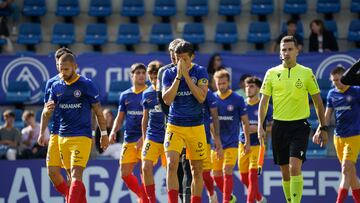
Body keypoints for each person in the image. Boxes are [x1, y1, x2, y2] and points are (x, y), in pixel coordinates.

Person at [258, 35, 328, 203]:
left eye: (290, 49)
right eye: (283, 49)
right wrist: (260, 126)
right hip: (279, 126)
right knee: (285, 172)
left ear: (297, 50)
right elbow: (263, 102)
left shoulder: (306, 73)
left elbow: (318, 102)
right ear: (280, 53)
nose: (287, 52)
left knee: (294, 167)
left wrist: (323, 126)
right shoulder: (272, 73)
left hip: (300, 126)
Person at [39, 53, 109, 203]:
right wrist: (47, 111)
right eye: (60, 69)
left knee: (77, 175)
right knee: (71, 178)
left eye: (66, 69)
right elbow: (46, 112)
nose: (63, 73)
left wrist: (103, 133)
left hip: (82, 137)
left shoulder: (86, 84)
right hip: (62, 138)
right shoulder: (56, 85)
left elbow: (98, 111)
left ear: (75, 67)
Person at [162, 41, 209, 203]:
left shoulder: (201, 71)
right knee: (171, 164)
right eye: (177, 58)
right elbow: (167, 100)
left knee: (196, 170)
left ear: (192, 57)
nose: (179, 62)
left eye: (184, 59)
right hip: (175, 125)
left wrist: (187, 77)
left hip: (196, 126)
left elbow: (201, 97)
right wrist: (178, 76)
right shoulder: (168, 73)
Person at [157, 38, 193, 203]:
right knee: (173, 165)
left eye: (177, 55)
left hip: (192, 125)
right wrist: (174, 116)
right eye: (172, 55)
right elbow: (162, 100)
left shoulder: (194, 70)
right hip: (172, 124)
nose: (174, 58)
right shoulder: (164, 72)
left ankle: (187, 199)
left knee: (189, 166)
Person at [37, 47, 74, 199]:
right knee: (52, 171)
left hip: (73, 132)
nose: (61, 66)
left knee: (70, 172)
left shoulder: (79, 81)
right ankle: (70, 196)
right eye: (58, 62)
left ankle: (72, 199)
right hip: (56, 131)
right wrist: (41, 132)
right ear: (56, 63)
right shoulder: (51, 83)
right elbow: (46, 109)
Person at [109, 63, 148, 202]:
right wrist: (113, 131)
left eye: (143, 72)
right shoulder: (125, 95)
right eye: (138, 73)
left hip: (146, 140)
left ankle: (146, 200)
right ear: (131, 76)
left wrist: (144, 138)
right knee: (124, 174)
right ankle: (142, 197)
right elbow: (120, 117)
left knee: (145, 173)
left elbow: (154, 120)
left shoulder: (149, 93)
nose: (141, 75)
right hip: (129, 139)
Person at [212, 69, 250, 203]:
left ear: (228, 82)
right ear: (215, 83)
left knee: (227, 169)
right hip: (216, 143)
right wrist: (217, 143)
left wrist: (247, 141)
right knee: (216, 175)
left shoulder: (237, 99)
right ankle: (230, 197)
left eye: (223, 83)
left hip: (232, 142)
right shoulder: (212, 98)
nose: (221, 86)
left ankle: (226, 201)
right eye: (218, 83)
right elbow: (210, 123)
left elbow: (245, 122)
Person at [324, 67, 360, 203]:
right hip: (338, 137)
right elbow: (327, 116)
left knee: (345, 170)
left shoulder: (356, 91)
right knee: (351, 175)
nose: (336, 83)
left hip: (354, 136)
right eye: (334, 81)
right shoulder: (331, 94)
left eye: (338, 80)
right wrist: (320, 129)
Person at [238, 76, 271, 203]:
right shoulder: (241, 104)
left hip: (258, 145)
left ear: (258, 89)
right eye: (247, 86)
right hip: (243, 144)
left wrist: (258, 128)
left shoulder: (264, 105)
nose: (248, 89)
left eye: (251, 86)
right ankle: (259, 198)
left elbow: (272, 125)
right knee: (243, 178)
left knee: (252, 177)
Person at [141, 60, 165, 203]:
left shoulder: (168, 91)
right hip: (153, 136)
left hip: (169, 136)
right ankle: (151, 200)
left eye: (157, 77)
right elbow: (145, 118)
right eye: (152, 77)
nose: (154, 80)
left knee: (172, 171)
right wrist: (144, 139)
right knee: (145, 167)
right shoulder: (147, 94)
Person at [202, 89, 223, 203]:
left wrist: (217, 139)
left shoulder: (207, 93)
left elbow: (212, 120)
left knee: (205, 174)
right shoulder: (180, 87)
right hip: (183, 137)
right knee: (190, 174)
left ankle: (211, 193)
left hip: (204, 139)